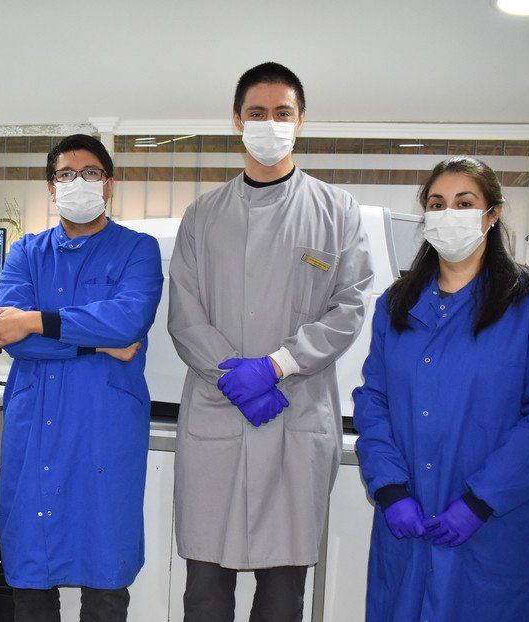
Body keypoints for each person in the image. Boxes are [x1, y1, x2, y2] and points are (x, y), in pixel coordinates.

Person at [169, 62, 375, 621]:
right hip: (217, 415)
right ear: (237, 121)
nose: (269, 124)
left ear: (300, 121)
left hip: (295, 418)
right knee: (206, 589)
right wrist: (235, 375)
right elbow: (185, 316)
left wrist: (280, 365)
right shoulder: (203, 215)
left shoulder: (336, 212)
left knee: (282, 596)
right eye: (257, 114)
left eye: (281, 114)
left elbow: (350, 305)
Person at [352, 157, 529, 621]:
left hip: (493, 529)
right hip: (410, 523)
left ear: (492, 214)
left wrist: (479, 502)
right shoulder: (397, 304)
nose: (448, 213)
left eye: (464, 202)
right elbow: (372, 400)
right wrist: (391, 490)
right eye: (437, 204)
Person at [0, 134, 164, 621]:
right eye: (66, 174)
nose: (78, 182)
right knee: (30, 567)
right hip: (34, 425)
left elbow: (127, 323)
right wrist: (97, 341)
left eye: (90, 173)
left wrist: (38, 320)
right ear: (51, 188)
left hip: (102, 428)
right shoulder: (26, 252)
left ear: (108, 184)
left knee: (105, 564)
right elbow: (10, 335)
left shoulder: (138, 250)